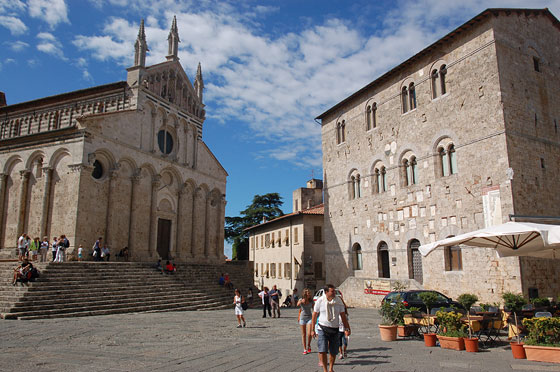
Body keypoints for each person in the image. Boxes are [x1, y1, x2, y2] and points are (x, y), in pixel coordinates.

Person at [311, 284, 350, 372]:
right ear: (326, 292)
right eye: (332, 291)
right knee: (323, 350)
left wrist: (347, 328)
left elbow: (343, 315)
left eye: (334, 291)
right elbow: (314, 314)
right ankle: (325, 370)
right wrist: (312, 329)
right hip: (322, 328)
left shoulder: (338, 301)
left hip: (335, 328)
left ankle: (331, 368)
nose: (334, 293)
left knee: (333, 351)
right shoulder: (320, 300)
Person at [298, 288, 314, 355]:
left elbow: (314, 309)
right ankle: (304, 348)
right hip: (302, 318)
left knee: (309, 333)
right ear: (305, 294)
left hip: (309, 317)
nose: (309, 294)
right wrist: (301, 301)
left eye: (309, 293)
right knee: (303, 334)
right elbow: (297, 304)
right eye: (308, 293)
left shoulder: (311, 301)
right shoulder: (301, 300)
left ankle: (309, 345)